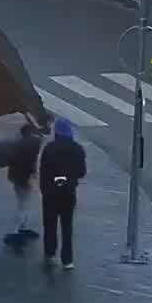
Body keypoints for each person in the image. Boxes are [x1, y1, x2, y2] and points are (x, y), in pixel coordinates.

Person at [37, 116, 87, 271]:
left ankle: (50, 253)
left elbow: (43, 170)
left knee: (50, 224)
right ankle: (67, 260)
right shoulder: (77, 149)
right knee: (67, 226)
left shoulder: (49, 148)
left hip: (50, 193)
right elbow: (82, 172)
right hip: (68, 192)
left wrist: (44, 188)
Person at [0, 121, 45, 244]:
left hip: (16, 176)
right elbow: (38, 144)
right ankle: (17, 229)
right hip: (25, 177)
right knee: (23, 204)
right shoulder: (34, 144)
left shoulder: (16, 144)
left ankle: (21, 227)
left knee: (22, 201)